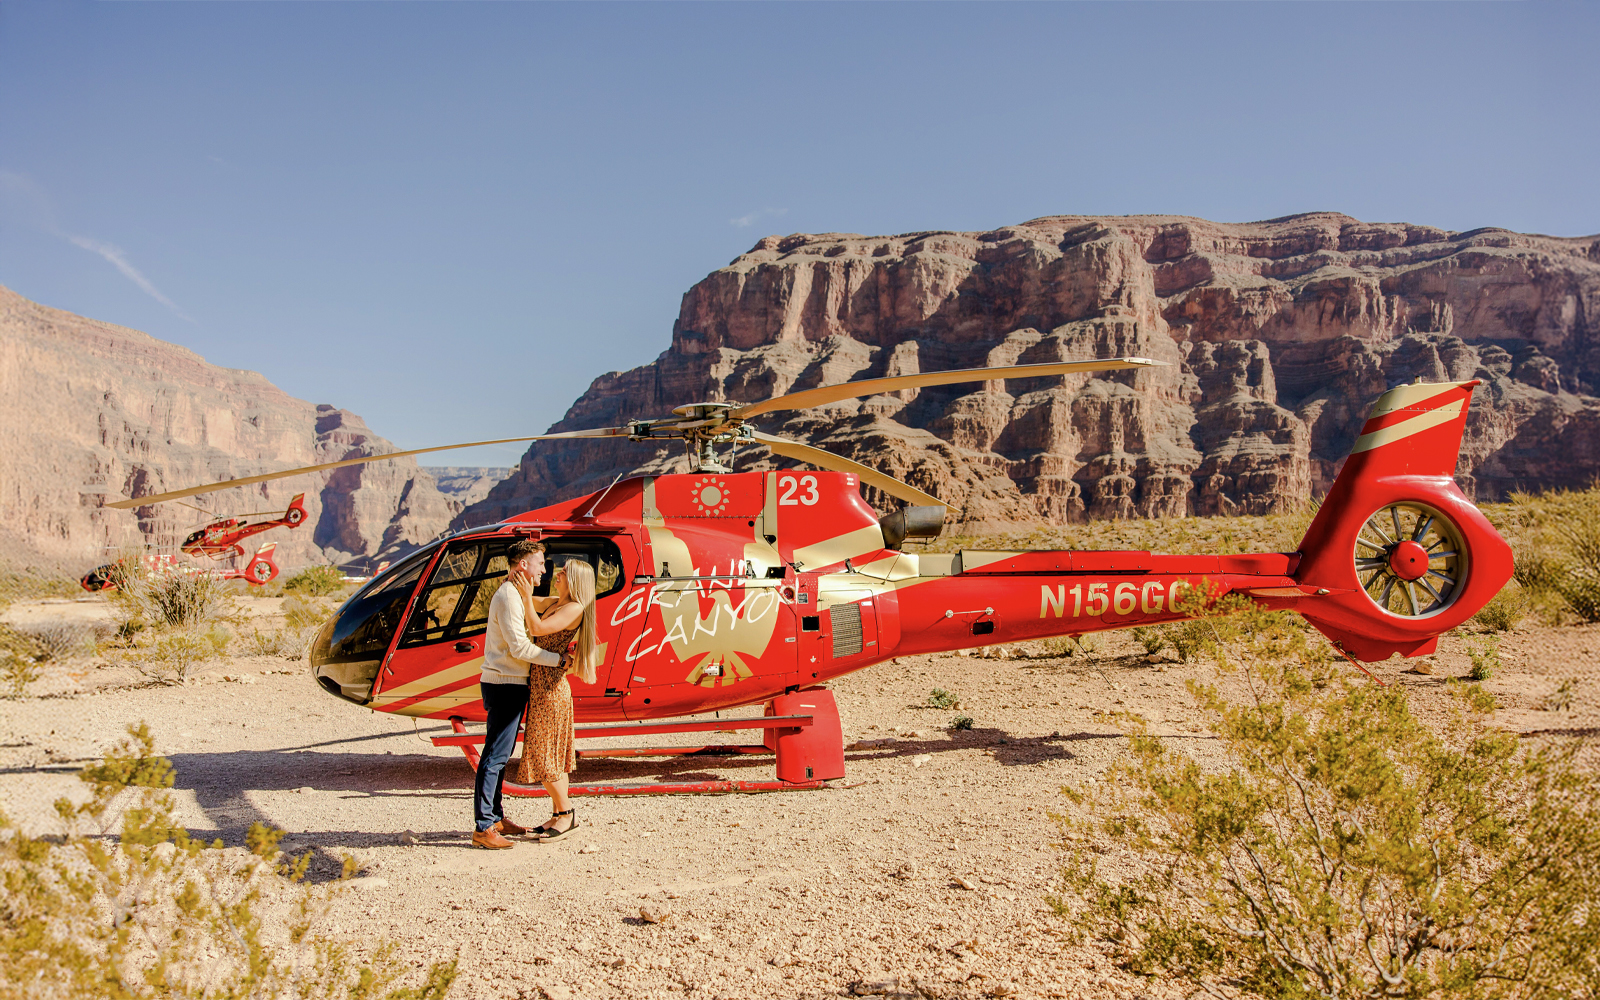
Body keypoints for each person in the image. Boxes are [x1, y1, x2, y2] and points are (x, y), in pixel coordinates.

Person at [471, 539, 568, 850]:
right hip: (504, 684)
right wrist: (559, 660)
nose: (544, 569)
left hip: (509, 682)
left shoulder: (514, 594)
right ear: (523, 565)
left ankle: (496, 818)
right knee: (495, 757)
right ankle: (484, 827)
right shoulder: (509, 597)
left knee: (500, 755)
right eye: (540, 563)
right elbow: (520, 648)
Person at [509, 558, 598, 842]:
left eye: (563, 572)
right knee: (554, 757)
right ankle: (559, 815)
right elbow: (527, 599)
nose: (556, 574)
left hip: (551, 689)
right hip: (542, 685)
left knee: (545, 755)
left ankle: (568, 814)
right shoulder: (556, 601)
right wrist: (516, 583)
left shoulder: (574, 608)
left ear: (574, 580)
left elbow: (535, 629)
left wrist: (523, 595)